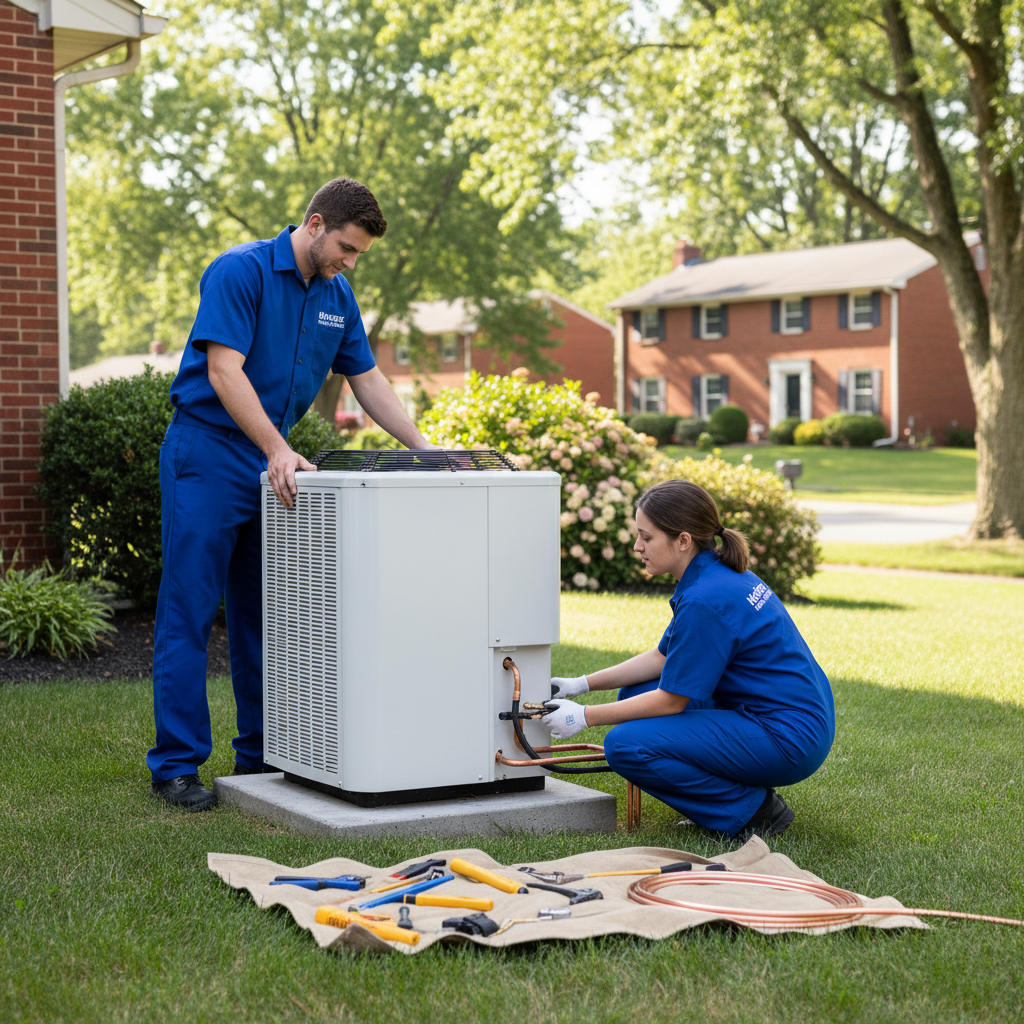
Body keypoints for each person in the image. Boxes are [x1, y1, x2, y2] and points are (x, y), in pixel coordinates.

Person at [149, 177, 436, 811]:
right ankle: (176, 765)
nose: (349, 262)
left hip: (273, 461)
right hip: (208, 449)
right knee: (189, 610)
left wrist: (424, 446)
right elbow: (224, 369)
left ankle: (260, 756)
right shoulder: (240, 271)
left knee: (267, 615)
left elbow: (367, 378)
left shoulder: (339, 296)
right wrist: (277, 449)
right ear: (313, 224)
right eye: (346, 247)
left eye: (358, 254)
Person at [545, 479, 834, 839]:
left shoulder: (706, 598)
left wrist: (584, 717)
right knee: (637, 694)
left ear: (683, 540)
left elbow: (671, 701)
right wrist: (580, 685)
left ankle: (754, 812)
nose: (637, 546)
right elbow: (662, 659)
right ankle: (741, 799)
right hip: (792, 717)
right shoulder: (714, 574)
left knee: (625, 744)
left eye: (646, 537)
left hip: (788, 737)